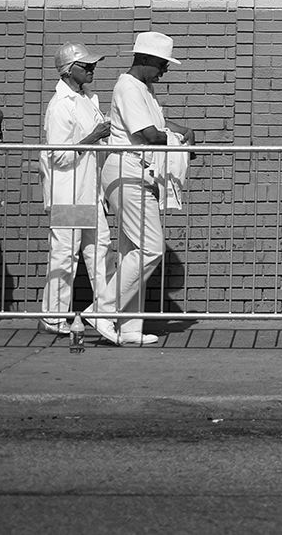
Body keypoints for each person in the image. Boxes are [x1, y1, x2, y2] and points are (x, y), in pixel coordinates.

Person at [97, 31, 191, 348]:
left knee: (131, 252)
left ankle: (129, 328)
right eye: (162, 64)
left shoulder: (143, 88)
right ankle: (101, 312)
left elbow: (160, 124)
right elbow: (150, 134)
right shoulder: (128, 86)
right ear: (147, 59)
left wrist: (183, 131)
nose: (164, 70)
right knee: (150, 248)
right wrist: (178, 141)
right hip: (127, 172)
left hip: (137, 173)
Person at [39, 43, 115, 335]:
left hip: (89, 192)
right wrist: (94, 136)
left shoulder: (86, 99)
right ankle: (53, 316)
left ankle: (108, 312)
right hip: (70, 194)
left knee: (101, 252)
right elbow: (59, 155)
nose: (93, 69)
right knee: (65, 254)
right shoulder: (61, 106)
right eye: (87, 66)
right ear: (70, 71)